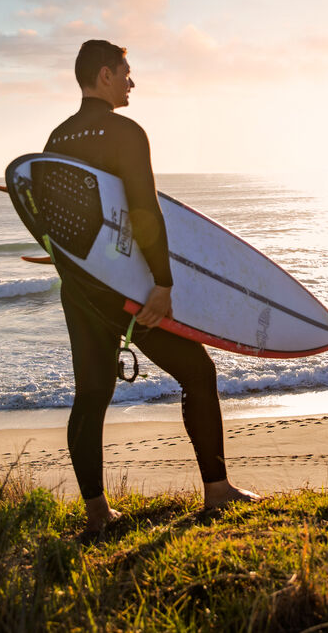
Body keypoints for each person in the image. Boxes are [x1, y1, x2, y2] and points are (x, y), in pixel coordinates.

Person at [44, 39, 259, 534]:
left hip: (80, 290)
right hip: (129, 290)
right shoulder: (125, 131)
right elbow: (144, 211)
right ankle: (217, 492)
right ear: (103, 75)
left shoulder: (55, 140)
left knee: (91, 395)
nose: (131, 82)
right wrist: (161, 283)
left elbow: (57, 224)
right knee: (199, 374)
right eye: (125, 72)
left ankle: (98, 513)